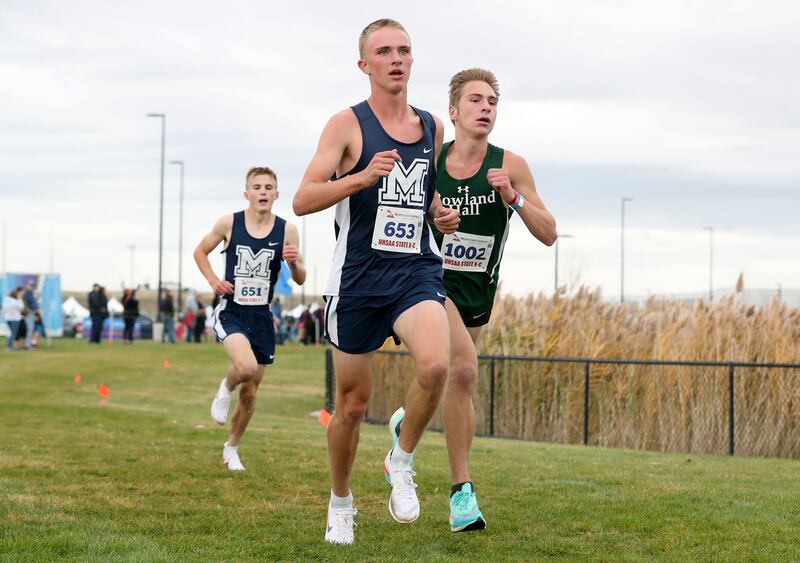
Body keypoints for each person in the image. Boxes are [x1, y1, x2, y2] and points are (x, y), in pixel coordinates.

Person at [292, 18, 460, 545]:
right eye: (384, 51)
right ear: (364, 64)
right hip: (358, 279)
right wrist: (361, 177)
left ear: (413, 60)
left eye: (404, 50)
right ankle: (340, 501)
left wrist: (439, 215)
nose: (396, 59)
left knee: (436, 365)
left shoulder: (432, 126)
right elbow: (303, 198)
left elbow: (421, 195)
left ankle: (400, 458)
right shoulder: (347, 125)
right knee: (352, 405)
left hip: (414, 271)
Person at [420, 68, 557, 532]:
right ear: (454, 112)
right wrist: (433, 219)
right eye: (476, 100)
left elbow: (549, 233)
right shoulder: (430, 162)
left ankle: (407, 422)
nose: (486, 108)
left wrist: (512, 197)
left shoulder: (510, 165)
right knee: (463, 370)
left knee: (450, 379)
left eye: (492, 102)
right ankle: (462, 495)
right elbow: (398, 222)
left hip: (478, 289)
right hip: (429, 283)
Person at [195, 166, 306, 472]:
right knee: (244, 368)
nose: (263, 192)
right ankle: (224, 388)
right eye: (257, 187)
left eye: (269, 187)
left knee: (251, 392)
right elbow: (200, 252)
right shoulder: (229, 223)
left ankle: (232, 447)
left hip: (261, 314)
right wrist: (214, 281)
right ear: (247, 193)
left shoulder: (287, 230)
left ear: (276, 194)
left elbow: (300, 278)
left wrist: (294, 265)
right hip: (232, 309)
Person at [22, 281, 39, 350]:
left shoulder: (31, 293)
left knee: (30, 329)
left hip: (32, 313)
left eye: (32, 286)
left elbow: (34, 304)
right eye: (30, 285)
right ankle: (27, 345)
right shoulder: (26, 294)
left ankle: (27, 344)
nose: (31, 287)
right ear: (26, 285)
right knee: (29, 329)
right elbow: (30, 304)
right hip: (28, 313)